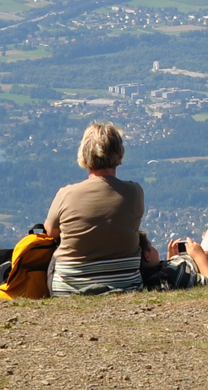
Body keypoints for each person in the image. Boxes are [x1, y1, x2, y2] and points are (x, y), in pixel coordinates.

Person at [43, 121, 145, 295]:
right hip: (126, 285)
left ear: (84, 154)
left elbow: (51, 232)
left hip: (68, 290)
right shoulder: (134, 192)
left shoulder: (66, 194)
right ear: (119, 153)